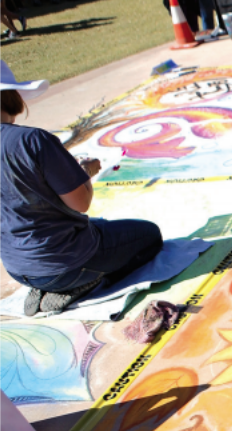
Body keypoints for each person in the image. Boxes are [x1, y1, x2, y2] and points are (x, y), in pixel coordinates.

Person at [1, 61, 164, 316]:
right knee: (150, 236)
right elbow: (80, 202)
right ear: (11, 97)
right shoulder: (31, 140)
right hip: (64, 263)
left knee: (99, 226)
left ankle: (49, 285)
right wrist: (83, 172)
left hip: (17, 266)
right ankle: (84, 284)